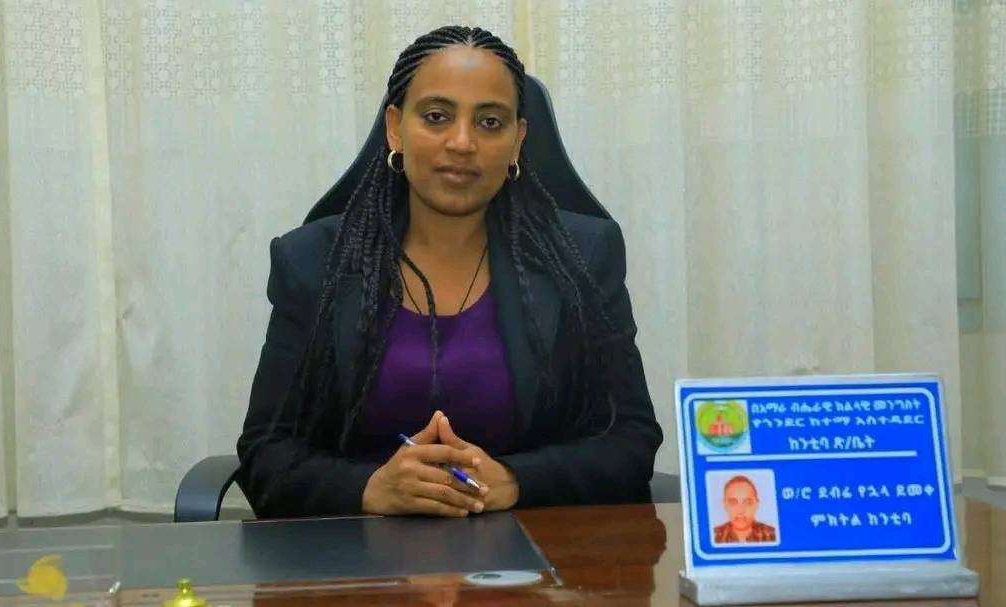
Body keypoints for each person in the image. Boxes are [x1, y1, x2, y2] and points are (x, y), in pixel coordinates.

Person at [236, 25, 662, 519]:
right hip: (358, 551)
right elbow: (266, 452)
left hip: (533, 549)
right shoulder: (313, 263)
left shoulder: (583, 256)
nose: (462, 142)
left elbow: (630, 440)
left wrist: (515, 480)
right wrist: (370, 489)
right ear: (395, 128)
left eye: (490, 122)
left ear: (518, 141)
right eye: (437, 117)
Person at [713, 475, 777, 543]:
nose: (740, 510)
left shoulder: (772, 535)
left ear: (756, 504)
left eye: (747, 502)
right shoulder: (714, 535)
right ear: (724, 505)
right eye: (733, 502)